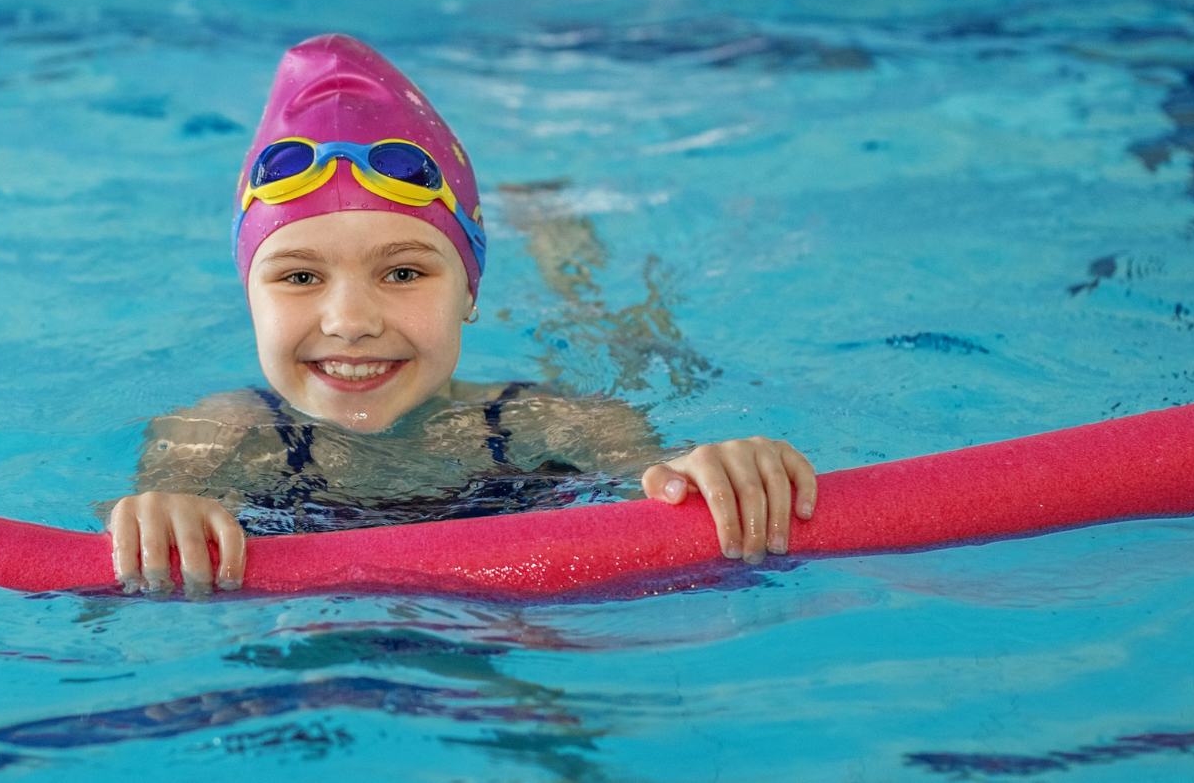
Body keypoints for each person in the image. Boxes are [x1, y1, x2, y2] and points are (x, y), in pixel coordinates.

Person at [103, 34, 815, 596]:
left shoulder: (558, 427)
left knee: (611, 337)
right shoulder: (219, 436)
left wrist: (715, 473)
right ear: (249, 297)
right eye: (298, 276)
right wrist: (160, 515)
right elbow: (147, 529)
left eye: (404, 271)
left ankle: (565, 247)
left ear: (469, 292)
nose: (349, 320)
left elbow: (662, 492)